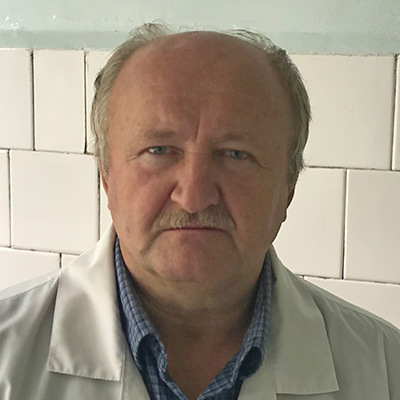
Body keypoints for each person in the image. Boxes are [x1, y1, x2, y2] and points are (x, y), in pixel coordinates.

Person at [0, 22, 399, 400]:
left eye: (236, 154)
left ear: (288, 187)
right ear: (107, 177)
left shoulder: (385, 367)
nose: (193, 197)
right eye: (158, 150)